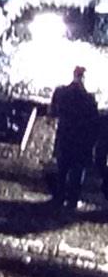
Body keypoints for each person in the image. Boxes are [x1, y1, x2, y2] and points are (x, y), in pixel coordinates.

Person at [50, 66, 99, 208]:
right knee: (77, 171)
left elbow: (53, 111)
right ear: (84, 78)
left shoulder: (61, 92)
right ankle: (72, 201)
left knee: (62, 169)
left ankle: (58, 198)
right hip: (80, 140)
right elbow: (94, 121)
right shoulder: (89, 98)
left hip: (64, 136)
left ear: (73, 75)